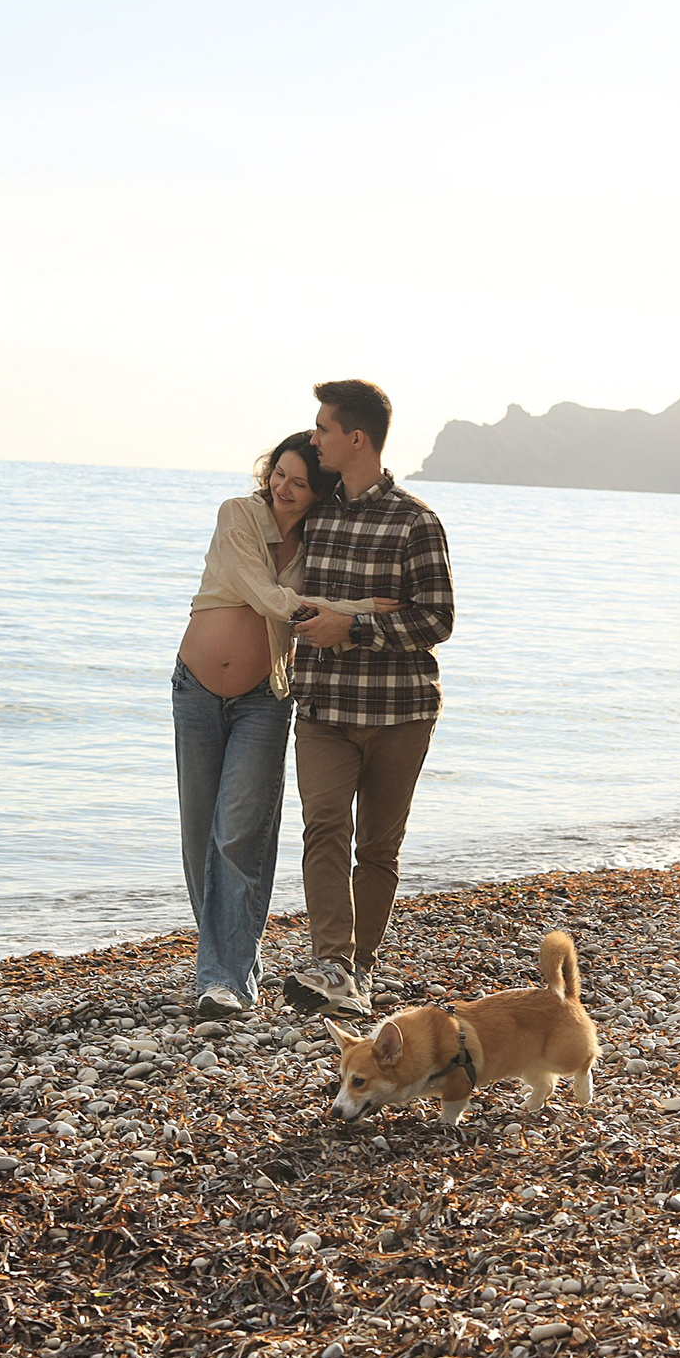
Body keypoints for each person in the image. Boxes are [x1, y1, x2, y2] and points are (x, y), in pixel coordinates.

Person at [172, 433, 389, 1020]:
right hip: (194, 690)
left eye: (298, 482)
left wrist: (356, 610)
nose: (282, 488)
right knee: (200, 835)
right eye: (279, 474)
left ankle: (225, 979)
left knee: (241, 834)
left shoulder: (315, 540)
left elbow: (324, 594)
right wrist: (347, 612)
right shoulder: (238, 515)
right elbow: (266, 595)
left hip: (264, 697)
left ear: (317, 492)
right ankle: (225, 961)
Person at [281, 379, 457, 1018]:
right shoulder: (315, 514)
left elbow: (436, 620)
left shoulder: (416, 521)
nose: (315, 437)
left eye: (324, 428)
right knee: (323, 826)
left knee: (378, 847)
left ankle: (359, 969)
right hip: (324, 708)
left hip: (398, 713)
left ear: (357, 439)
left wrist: (352, 627)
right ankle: (330, 961)